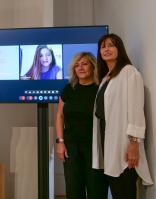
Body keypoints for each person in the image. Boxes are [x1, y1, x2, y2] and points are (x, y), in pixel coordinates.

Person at [93, 33, 153, 199]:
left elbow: (136, 109)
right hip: (109, 142)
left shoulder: (129, 72)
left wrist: (134, 143)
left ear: (120, 49)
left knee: (124, 191)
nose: (106, 49)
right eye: (103, 46)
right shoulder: (106, 78)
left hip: (125, 144)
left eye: (111, 45)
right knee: (116, 188)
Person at [55, 52, 108, 199]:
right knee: (73, 190)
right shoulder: (68, 89)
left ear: (93, 66)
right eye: (77, 65)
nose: (80, 68)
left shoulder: (101, 89)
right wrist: (60, 141)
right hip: (71, 147)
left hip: (95, 147)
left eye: (84, 64)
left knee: (96, 189)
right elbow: (60, 115)